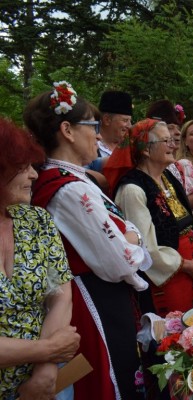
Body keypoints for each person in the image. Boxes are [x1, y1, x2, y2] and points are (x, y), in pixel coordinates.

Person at [26, 81, 150, 400]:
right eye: (92, 125)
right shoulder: (69, 189)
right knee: (108, 380)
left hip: (98, 293)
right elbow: (119, 259)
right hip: (93, 300)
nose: (97, 134)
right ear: (67, 130)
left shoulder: (73, 180)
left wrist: (128, 235)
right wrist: (133, 237)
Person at [105, 119, 193, 314]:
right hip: (167, 278)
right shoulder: (132, 190)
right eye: (166, 141)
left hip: (192, 268)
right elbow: (144, 246)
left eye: (172, 140)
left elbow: (190, 219)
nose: (173, 145)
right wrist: (186, 265)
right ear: (146, 150)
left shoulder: (167, 178)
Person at [0, 118, 80, 400]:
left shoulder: (36, 219)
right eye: (23, 167)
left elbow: (59, 294)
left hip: (46, 384)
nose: (34, 175)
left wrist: (45, 370)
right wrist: (49, 350)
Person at [97, 91, 133, 158]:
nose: (130, 126)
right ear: (107, 120)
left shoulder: (130, 148)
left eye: (130, 121)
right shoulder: (89, 145)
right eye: (125, 120)